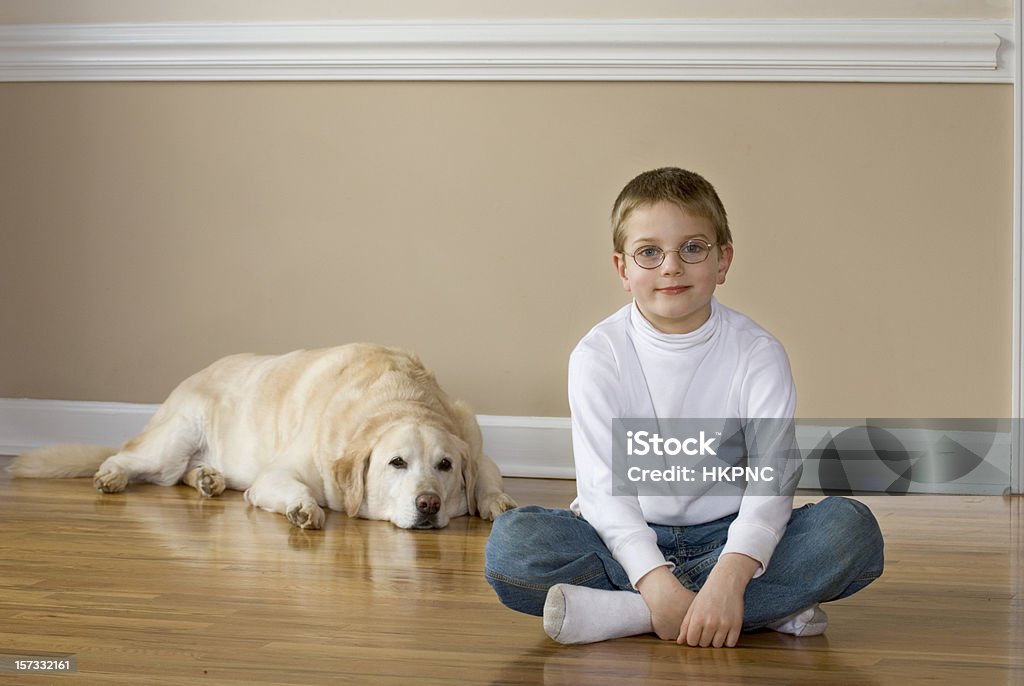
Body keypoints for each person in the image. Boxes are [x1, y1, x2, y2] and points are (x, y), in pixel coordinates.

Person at [484, 167, 884, 647]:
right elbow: (602, 495)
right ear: (622, 269)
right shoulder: (597, 356)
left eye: (693, 248)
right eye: (649, 252)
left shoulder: (757, 353)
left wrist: (731, 575)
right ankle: (746, 609)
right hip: (627, 536)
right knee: (513, 546)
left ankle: (631, 614)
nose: (671, 266)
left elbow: (769, 484)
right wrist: (654, 577)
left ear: (723, 261)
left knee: (851, 531)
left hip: (729, 535)